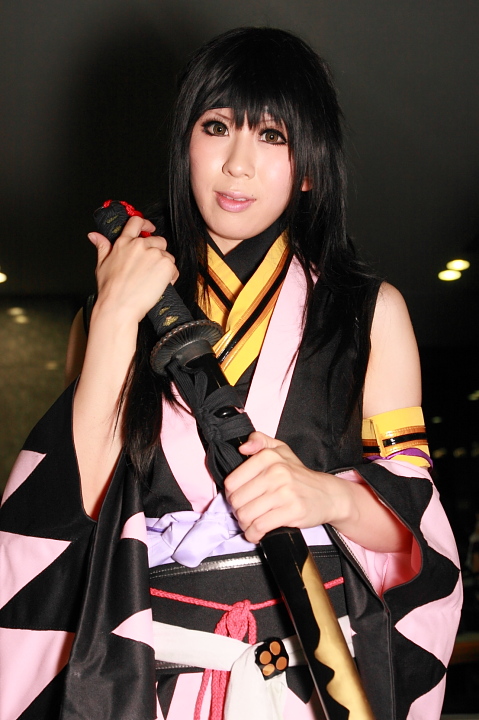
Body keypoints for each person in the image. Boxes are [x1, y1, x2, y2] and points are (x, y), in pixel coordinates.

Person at [0, 27, 461, 720]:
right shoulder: (111, 312)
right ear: (185, 144)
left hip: (315, 683)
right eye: (216, 127)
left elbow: (416, 528)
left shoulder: (371, 313)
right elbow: (69, 510)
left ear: (309, 167)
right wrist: (116, 314)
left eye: (272, 136)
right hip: (155, 682)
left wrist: (327, 497)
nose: (237, 165)